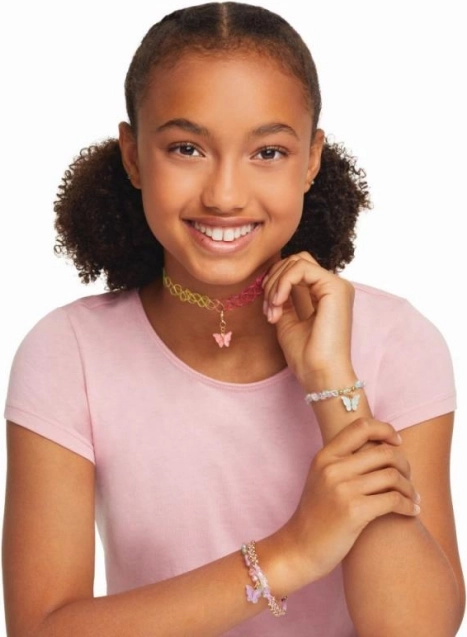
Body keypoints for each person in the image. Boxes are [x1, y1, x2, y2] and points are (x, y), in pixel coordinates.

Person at [2, 2, 465, 635]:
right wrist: (293, 551)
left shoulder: (398, 342)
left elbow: (416, 628)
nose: (224, 194)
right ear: (133, 155)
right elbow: (42, 629)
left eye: (268, 152)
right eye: (187, 148)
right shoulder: (68, 352)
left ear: (311, 159)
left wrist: (331, 382)